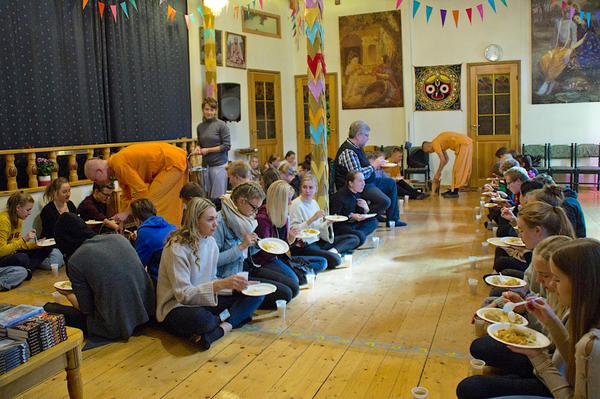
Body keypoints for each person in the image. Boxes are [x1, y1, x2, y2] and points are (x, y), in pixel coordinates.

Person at [458, 236, 573, 399]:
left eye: (551, 277)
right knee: (480, 347)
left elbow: (562, 380)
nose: (541, 280)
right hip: (543, 365)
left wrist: (536, 356)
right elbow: (534, 307)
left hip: (550, 382)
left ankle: (518, 379)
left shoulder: (587, 336)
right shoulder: (559, 295)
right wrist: (521, 308)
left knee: (471, 387)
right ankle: (516, 379)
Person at [156, 197, 263, 350]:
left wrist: (235, 287)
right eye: (210, 220)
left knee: (256, 295)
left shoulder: (210, 242)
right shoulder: (176, 248)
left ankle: (220, 328)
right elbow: (183, 295)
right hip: (176, 306)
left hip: (202, 300)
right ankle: (229, 321)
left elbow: (211, 279)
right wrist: (220, 284)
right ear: (195, 221)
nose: (215, 224)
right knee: (204, 320)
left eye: (216, 219)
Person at [45, 213, 155, 340]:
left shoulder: (76, 260)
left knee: (49, 308)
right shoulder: (119, 238)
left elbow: (86, 309)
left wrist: (68, 295)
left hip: (116, 326)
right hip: (147, 312)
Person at [85, 142, 188, 227]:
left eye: (95, 180)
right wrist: (122, 220)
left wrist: (126, 213)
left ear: (99, 172)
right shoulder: (115, 165)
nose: (98, 183)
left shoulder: (118, 163)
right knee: (162, 204)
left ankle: (165, 238)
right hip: (172, 161)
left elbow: (142, 191)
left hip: (172, 163)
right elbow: (126, 195)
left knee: (152, 204)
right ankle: (167, 236)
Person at [334, 120, 404, 227]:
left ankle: (393, 220)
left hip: (368, 182)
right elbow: (356, 175)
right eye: (366, 135)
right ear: (358, 135)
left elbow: (365, 168)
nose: (368, 138)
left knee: (391, 183)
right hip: (357, 186)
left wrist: (377, 166)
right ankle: (366, 217)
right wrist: (373, 166)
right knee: (385, 201)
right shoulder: (348, 151)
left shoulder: (357, 148)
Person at [289, 174, 360, 268]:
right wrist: (311, 219)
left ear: (316, 189)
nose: (307, 190)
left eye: (311, 187)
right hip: (305, 245)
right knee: (336, 260)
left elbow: (317, 228)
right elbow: (294, 230)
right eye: (305, 187)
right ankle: (333, 254)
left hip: (318, 241)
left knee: (354, 239)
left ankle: (332, 252)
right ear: (300, 188)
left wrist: (328, 222)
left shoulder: (314, 203)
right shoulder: (295, 204)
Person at [0, 192, 53, 275]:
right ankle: (26, 269)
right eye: (28, 210)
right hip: (3, 256)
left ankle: (26, 270)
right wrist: (24, 239)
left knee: (46, 248)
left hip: (13, 253)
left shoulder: (19, 219)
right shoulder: (3, 221)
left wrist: (36, 245)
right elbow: (1, 251)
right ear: (18, 207)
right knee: (22, 258)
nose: (30, 213)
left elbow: (19, 245)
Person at [130, 198, 176, 288]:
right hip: (175, 277)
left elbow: (138, 265)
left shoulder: (144, 231)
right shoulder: (171, 226)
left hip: (160, 283)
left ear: (137, 219)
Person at [194, 97, 231, 199]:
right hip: (206, 166)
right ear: (203, 110)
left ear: (215, 111)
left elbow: (227, 146)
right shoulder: (200, 126)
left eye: (212, 109)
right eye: (207, 109)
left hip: (219, 165)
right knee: (207, 196)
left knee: (218, 198)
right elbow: (200, 142)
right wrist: (198, 147)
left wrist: (208, 150)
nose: (209, 112)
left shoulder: (221, 125)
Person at [329, 171, 379, 247]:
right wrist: (350, 216)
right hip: (342, 226)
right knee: (361, 237)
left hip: (354, 224)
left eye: (363, 181)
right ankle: (357, 235)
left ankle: (356, 235)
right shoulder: (339, 196)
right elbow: (334, 216)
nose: (363, 184)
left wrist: (366, 209)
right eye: (360, 181)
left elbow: (359, 212)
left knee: (374, 221)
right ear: (351, 183)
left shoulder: (357, 193)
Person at [422, 131, 473, 198]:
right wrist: (439, 172)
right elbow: (446, 159)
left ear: (428, 146)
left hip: (463, 144)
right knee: (456, 169)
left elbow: (443, 160)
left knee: (457, 169)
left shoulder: (435, 144)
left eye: (428, 151)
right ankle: (453, 190)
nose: (430, 153)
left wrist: (437, 173)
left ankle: (454, 192)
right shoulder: (438, 142)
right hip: (465, 143)